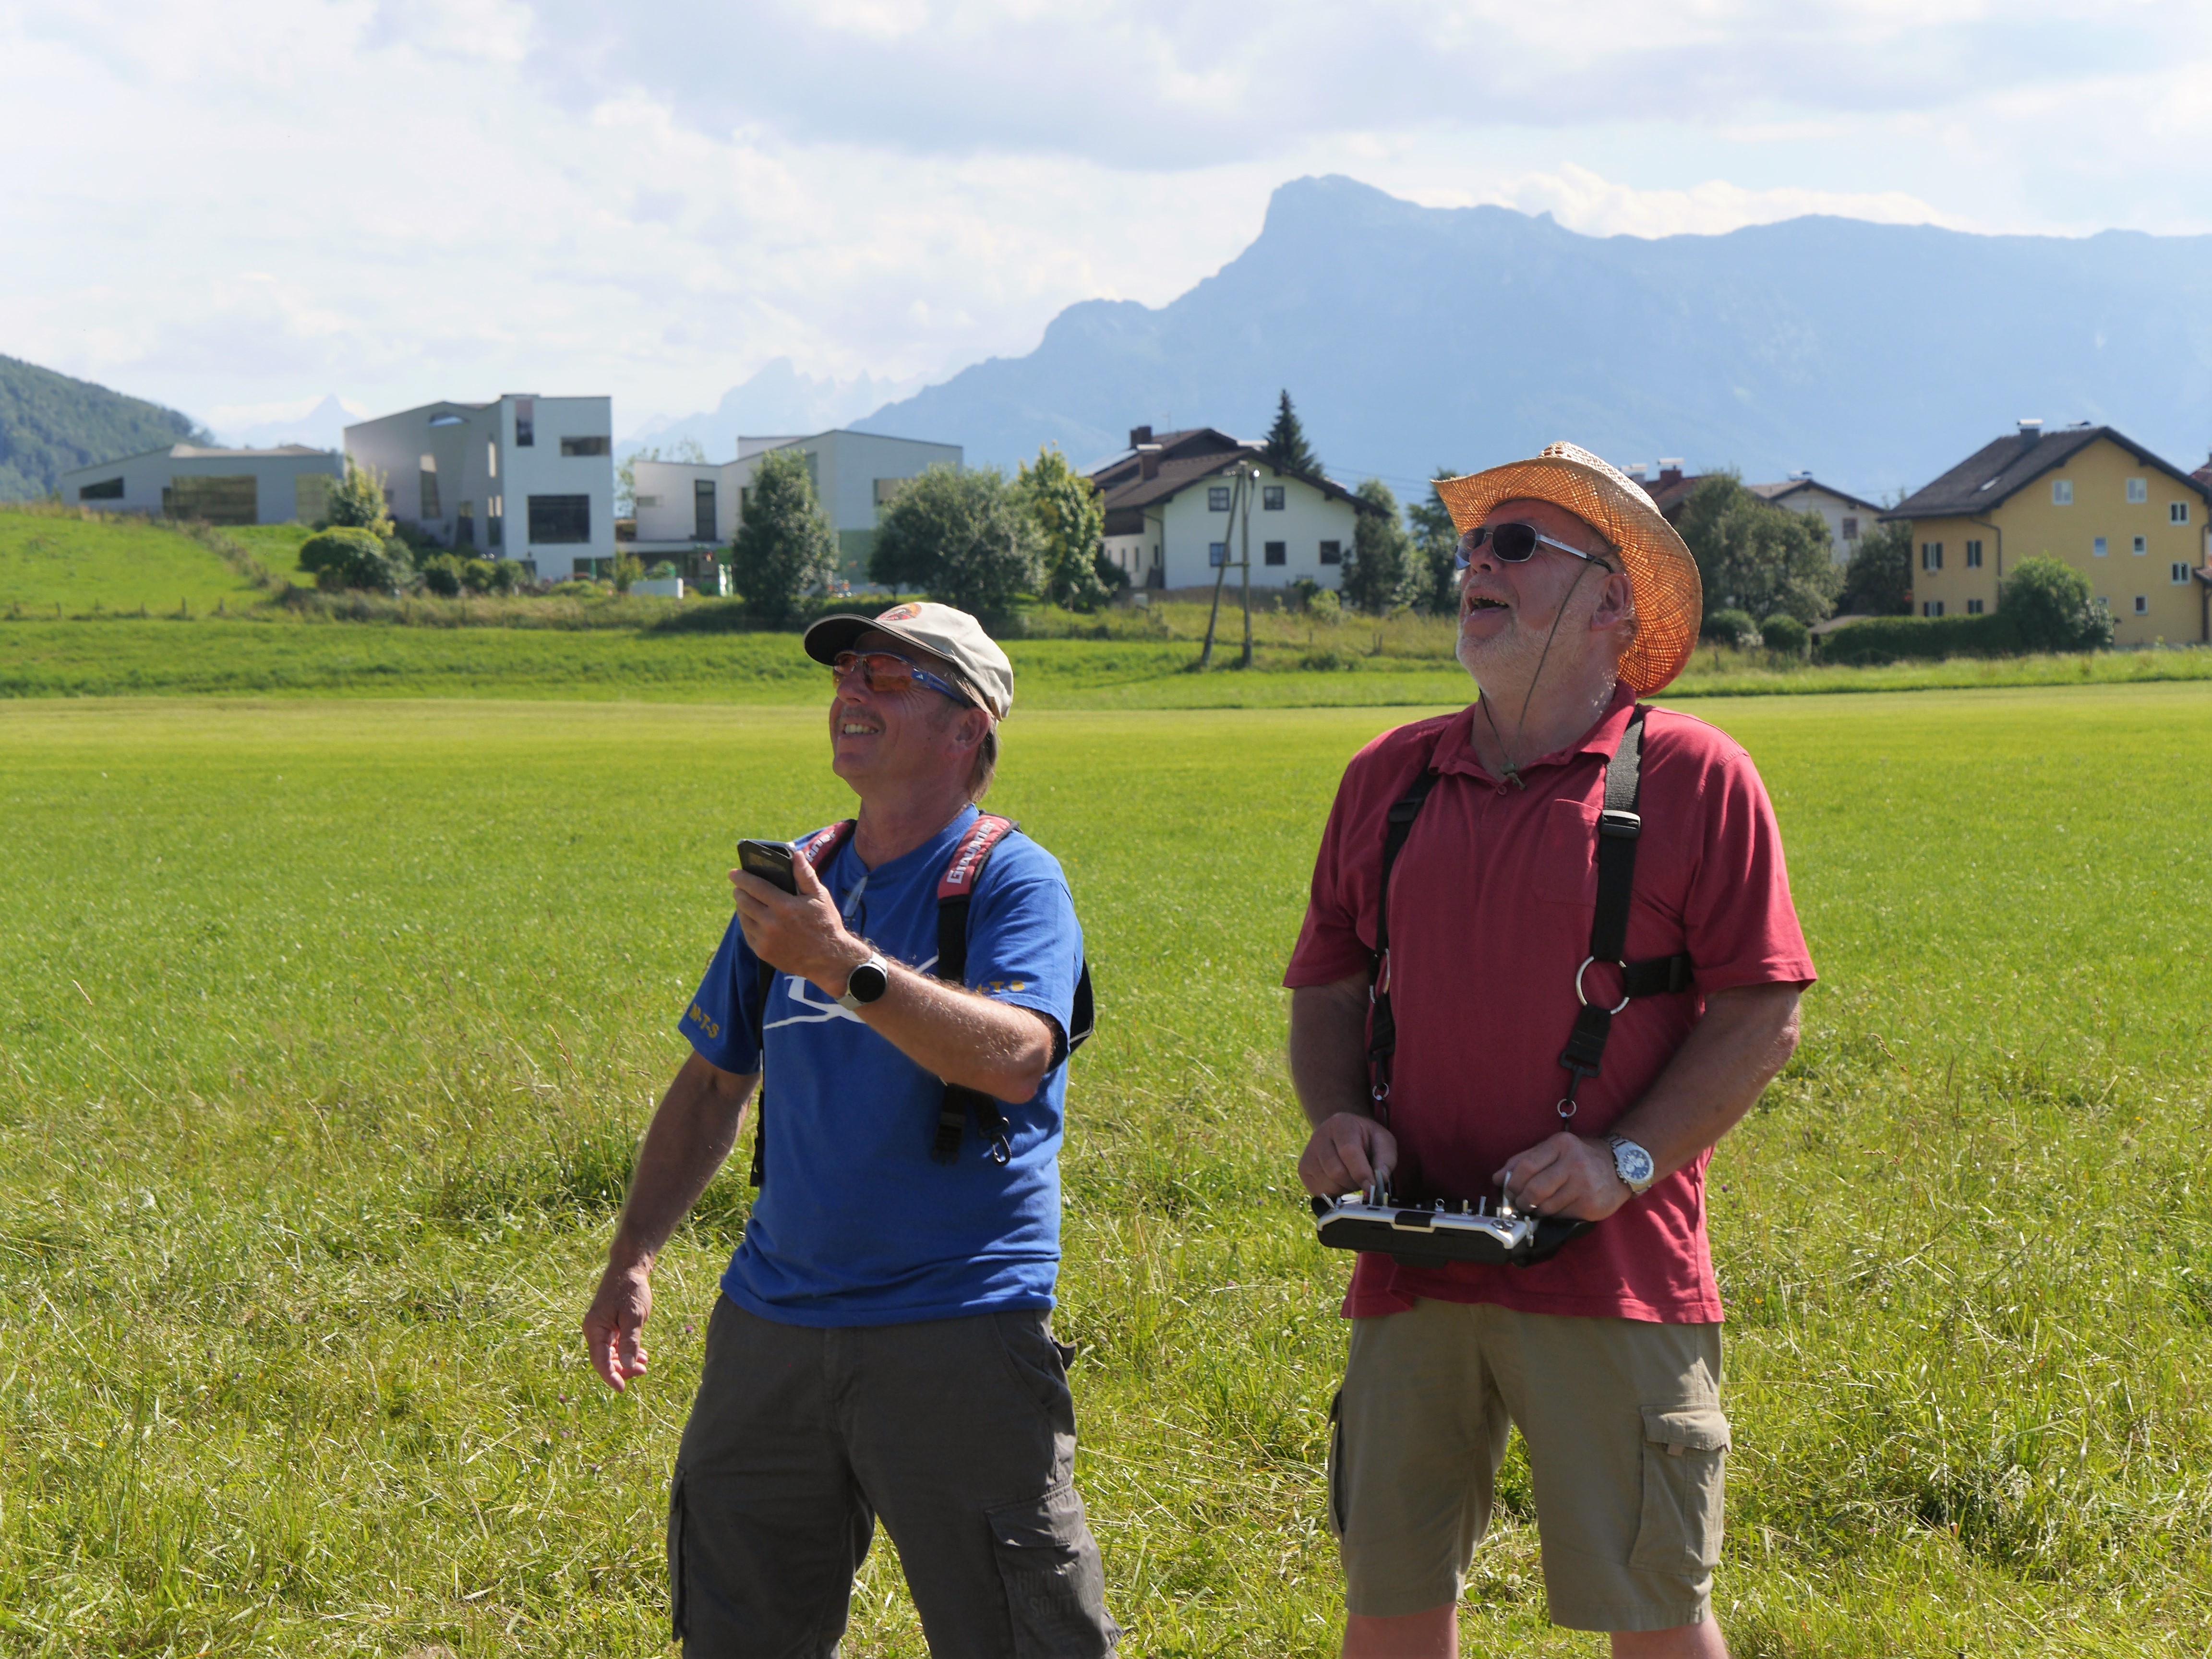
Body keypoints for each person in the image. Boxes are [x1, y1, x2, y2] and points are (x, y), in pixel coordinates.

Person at [1286, 444, 1816, 1658]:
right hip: (1413, 1266)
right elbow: (1329, 981)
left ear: (1611, 602)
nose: (1478, 564)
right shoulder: (1388, 776)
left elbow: (1762, 1013)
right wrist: (1336, 1117)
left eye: (1516, 547)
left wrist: (1622, 1164)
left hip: (1614, 1272)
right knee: (1388, 1608)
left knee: (1655, 1617)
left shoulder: (1697, 775)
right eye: (1473, 547)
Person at [584, 601, 1120, 1659]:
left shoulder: (1011, 879)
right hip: (771, 1327)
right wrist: (633, 1256)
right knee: (738, 1633)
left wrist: (843, 964)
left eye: (888, 676)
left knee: (1021, 1636)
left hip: (956, 1324)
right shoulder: (799, 879)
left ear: (967, 727)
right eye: (845, 672)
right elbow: (711, 1088)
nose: (851, 692)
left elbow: (1018, 1058)